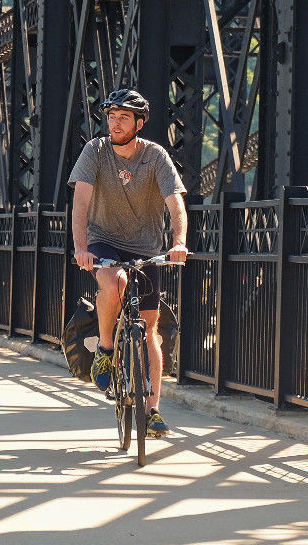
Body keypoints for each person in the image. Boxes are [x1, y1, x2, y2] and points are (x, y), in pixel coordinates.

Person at [70, 87, 188, 438]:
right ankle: (106, 347)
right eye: (110, 116)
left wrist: (178, 242)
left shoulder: (155, 156)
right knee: (116, 282)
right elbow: (79, 204)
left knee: (149, 325)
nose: (114, 122)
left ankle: (152, 410)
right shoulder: (95, 151)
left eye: (123, 117)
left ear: (139, 122)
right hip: (102, 239)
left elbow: (176, 203)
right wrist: (81, 248)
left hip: (145, 245)